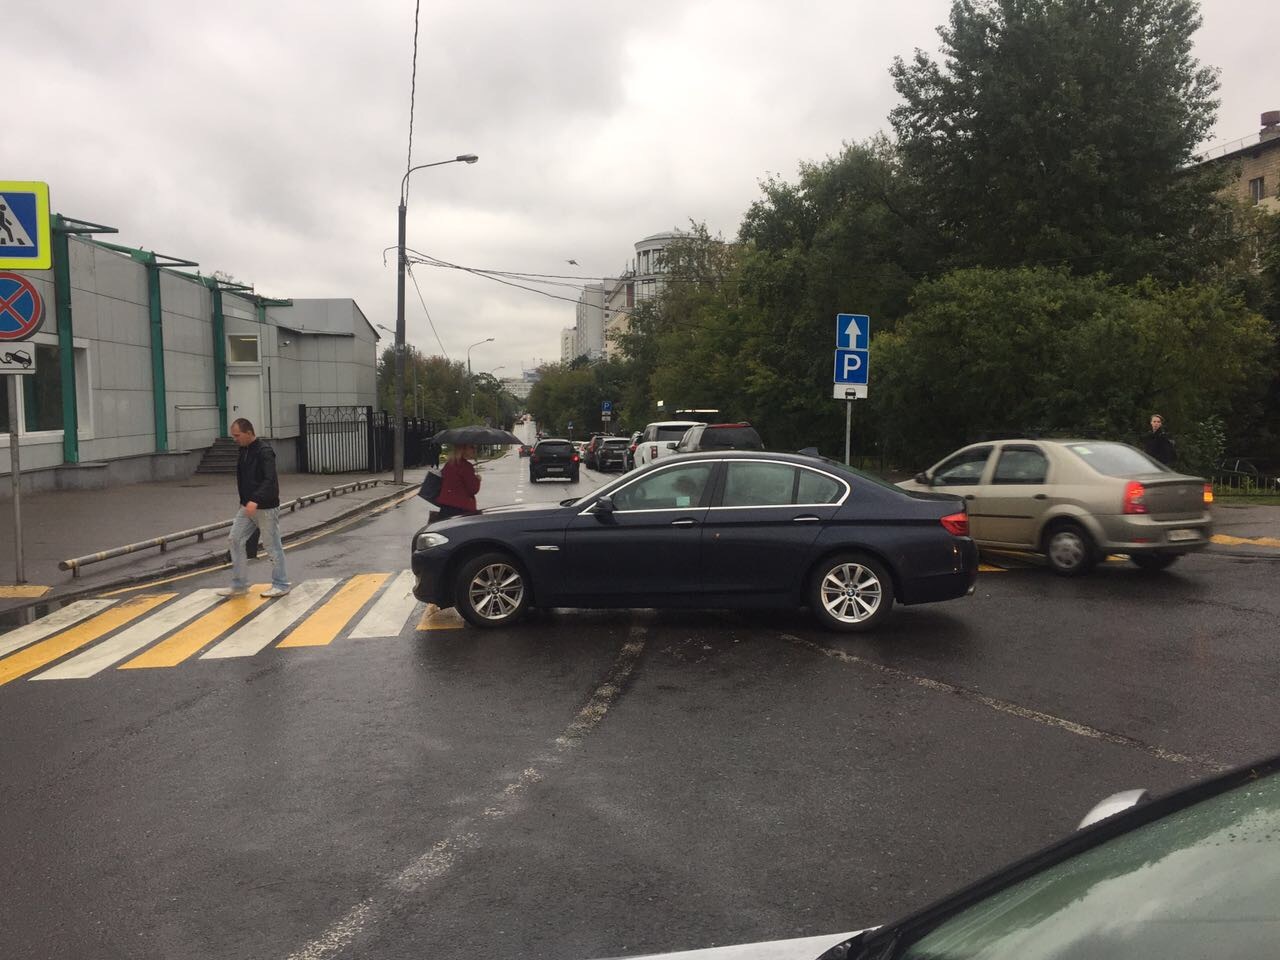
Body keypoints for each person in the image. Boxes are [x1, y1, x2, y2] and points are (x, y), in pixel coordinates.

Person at [218, 418, 291, 598]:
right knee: (234, 539)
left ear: (249, 433)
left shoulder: (264, 451)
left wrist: (255, 500)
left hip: (265, 507)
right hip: (247, 507)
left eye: (237, 435)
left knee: (272, 545)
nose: (235, 439)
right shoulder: (243, 450)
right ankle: (239, 584)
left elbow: (270, 480)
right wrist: (246, 501)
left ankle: (281, 584)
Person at [434, 443, 481, 520]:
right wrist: (478, 480)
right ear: (463, 449)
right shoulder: (466, 466)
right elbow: (473, 489)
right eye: (471, 447)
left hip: (446, 507)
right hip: (462, 509)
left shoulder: (449, 464)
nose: (474, 450)